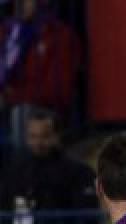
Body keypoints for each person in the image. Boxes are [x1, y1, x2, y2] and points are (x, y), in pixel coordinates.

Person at [0, 0, 81, 146]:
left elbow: (58, 91)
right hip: (8, 105)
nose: (18, 4)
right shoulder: (6, 32)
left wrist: (9, 97)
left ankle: (22, 168)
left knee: (20, 114)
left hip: (39, 110)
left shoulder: (61, 36)